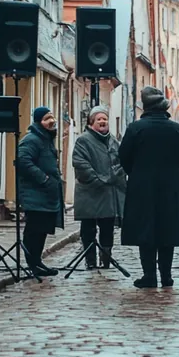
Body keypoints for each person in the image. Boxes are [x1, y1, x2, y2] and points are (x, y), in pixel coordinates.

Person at [119, 87, 179, 288]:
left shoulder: (136, 129)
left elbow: (124, 156)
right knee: (167, 231)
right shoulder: (177, 130)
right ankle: (166, 276)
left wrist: (136, 174)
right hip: (170, 187)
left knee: (146, 231)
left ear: (145, 106)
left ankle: (149, 275)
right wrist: (175, 175)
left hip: (142, 187)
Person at [71, 106, 126, 269]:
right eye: (98, 119)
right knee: (88, 228)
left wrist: (115, 174)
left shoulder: (113, 140)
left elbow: (120, 161)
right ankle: (90, 261)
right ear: (91, 122)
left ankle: (106, 259)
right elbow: (80, 163)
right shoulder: (84, 140)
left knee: (107, 227)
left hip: (108, 193)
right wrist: (98, 179)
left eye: (104, 119)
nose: (102, 121)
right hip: (90, 192)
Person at [16, 106, 65, 277]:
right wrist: (43, 179)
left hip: (45, 195)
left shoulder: (46, 139)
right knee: (34, 230)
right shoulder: (32, 139)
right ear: (38, 122)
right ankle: (32, 264)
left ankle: (37, 262)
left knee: (42, 230)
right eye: (46, 118)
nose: (51, 121)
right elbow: (22, 161)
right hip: (35, 194)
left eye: (52, 117)